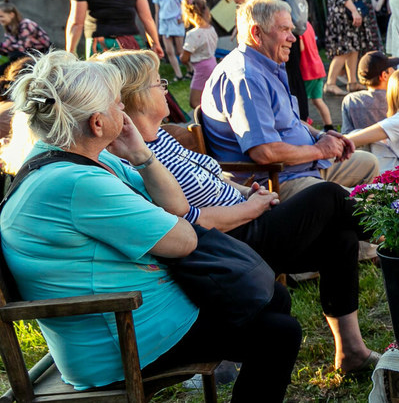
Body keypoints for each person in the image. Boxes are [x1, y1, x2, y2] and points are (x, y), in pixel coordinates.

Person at [0, 52, 300, 400]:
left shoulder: (74, 158)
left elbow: (178, 207)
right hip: (118, 342)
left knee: (271, 297)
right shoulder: (76, 183)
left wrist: (143, 157)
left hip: (134, 319)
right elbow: (184, 239)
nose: (124, 112)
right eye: (117, 105)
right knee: (279, 332)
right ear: (97, 124)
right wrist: (167, 216)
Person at [96, 49, 378, 375]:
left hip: (248, 221)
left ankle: (352, 352)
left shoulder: (160, 138)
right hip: (226, 244)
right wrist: (250, 207)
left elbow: (212, 178)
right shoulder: (133, 156)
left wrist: (247, 192)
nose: (165, 88)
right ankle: (397, 231)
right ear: (138, 97)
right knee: (327, 196)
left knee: (340, 239)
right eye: (158, 83)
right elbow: (185, 221)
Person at [201, 0, 378, 201]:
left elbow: (289, 121)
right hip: (274, 181)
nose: (293, 38)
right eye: (285, 30)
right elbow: (264, 152)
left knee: (369, 163)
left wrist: (321, 135)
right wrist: (319, 151)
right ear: (256, 33)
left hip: (299, 168)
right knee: (370, 205)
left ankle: (348, 228)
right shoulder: (246, 77)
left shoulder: (264, 65)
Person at [231, 0, 309, 121]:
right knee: (291, 75)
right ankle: (300, 120)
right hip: (287, 29)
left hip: (267, 34)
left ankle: (282, 120)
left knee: (272, 77)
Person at [180, 0, 217, 110]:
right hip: (212, 62)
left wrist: (184, 60)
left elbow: (184, 58)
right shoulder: (211, 29)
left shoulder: (193, 34)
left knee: (194, 101)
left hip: (202, 68)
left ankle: (208, 119)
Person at [152, 0, 185, 80]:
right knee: (169, 51)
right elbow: (157, 12)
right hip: (164, 25)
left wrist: (183, 18)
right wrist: (156, 28)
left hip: (176, 23)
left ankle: (190, 69)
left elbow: (185, 8)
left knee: (180, 50)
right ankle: (178, 74)